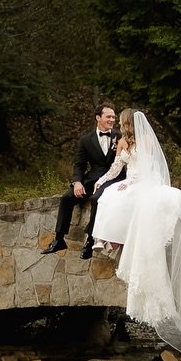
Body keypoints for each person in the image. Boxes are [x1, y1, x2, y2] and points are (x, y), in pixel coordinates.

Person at [92, 109, 181, 352]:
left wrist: (134, 183)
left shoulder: (148, 141)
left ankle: (117, 240)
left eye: (121, 120)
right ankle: (105, 240)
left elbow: (152, 168)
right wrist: (102, 180)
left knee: (127, 200)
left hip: (144, 183)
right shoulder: (122, 142)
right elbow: (116, 168)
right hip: (129, 182)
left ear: (127, 122)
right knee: (108, 196)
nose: (118, 123)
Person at [46, 102, 120, 257]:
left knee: (96, 199)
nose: (112, 120)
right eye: (108, 116)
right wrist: (77, 182)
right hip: (92, 178)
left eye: (113, 117)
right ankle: (59, 239)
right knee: (67, 198)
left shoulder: (119, 137)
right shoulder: (86, 140)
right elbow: (79, 164)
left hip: (113, 179)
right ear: (98, 117)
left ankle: (91, 241)